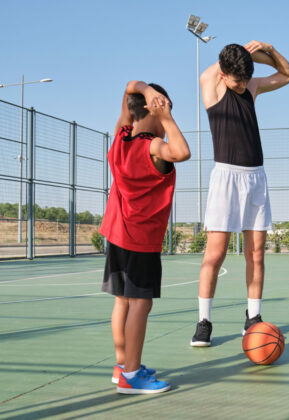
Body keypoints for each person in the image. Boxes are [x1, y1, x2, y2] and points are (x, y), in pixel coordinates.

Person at [190, 41, 289, 347]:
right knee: (215, 254)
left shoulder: (250, 88)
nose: (241, 85)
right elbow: (212, 71)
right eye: (236, 79)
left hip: (255, 178)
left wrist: (271, 51)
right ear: (223, 74)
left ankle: (253, 318)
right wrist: (242, 52)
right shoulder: (211, 86)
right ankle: (204, 322)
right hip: (226, 178)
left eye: (244, 79)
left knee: (256, 254)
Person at [99, 80, 191, 393]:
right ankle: (132, 375)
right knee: (141, 304)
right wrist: (166, 116)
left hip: (116, 233)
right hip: (141, 239)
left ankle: (122, 365)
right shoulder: (151, 147)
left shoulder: (121, 138)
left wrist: (143, 92)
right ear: (152, 111)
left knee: (122, 301)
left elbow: (128, 89)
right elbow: (182, 152)